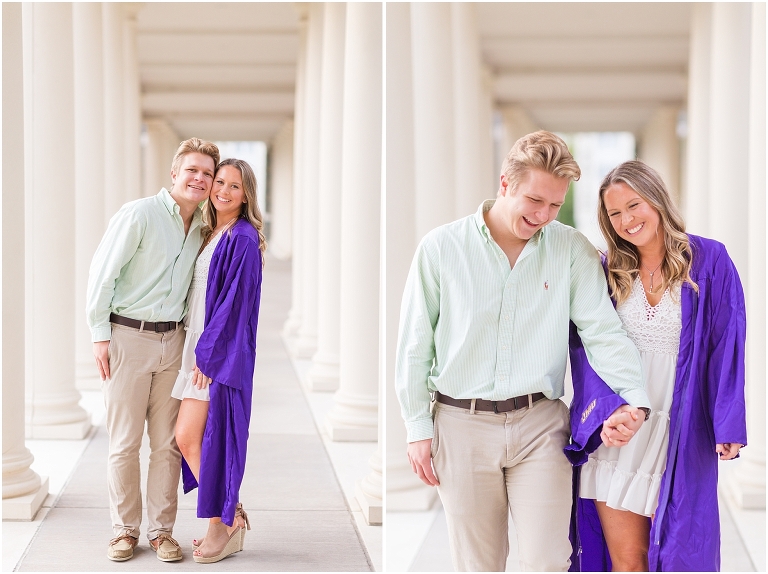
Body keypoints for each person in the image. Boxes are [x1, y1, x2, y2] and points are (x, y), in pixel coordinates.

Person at [395, 131, 652, 572]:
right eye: (535, 200)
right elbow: (415, 344)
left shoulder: (571, 250)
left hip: (540, 426)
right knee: (478, 564)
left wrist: (635, 399)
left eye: (554, 205)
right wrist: (418, 428)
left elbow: (602, 332)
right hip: (460, 424)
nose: (543, 215)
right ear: (505, 184)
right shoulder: (441, 248)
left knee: (547, 561)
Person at [568, 160, 747, 572]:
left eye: (634, 205)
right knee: (629, 562)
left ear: (657, 199)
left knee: (679, 556)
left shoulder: (708, 259)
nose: (627, 220)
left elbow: (728, 342)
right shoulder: (608, 271)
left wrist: (728, 423)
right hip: (621, 429)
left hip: (681, 427)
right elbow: (586, 348)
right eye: (615, 213)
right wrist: (607, 410)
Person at [87, 138, 220, 562]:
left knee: (167, 445)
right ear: (175, 173)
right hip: (128, 337)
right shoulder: (140, 214)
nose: (199, 179)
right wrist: (100, 334)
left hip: (174, 343)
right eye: (192, 170)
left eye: (207, 173)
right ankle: (124, 531)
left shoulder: (202, 229)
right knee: (125, 442)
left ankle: (162, 532)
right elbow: (103, 273)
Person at [172, 158, 266, 564]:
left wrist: (208, 357)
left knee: (194, 438)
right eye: (220, 182)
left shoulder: (242, 238)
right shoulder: (212, 231)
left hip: (214, 354)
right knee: (196, 440)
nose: (223, 191)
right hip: (196, 345)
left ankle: (223, 523)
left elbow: (234, 307)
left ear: (246, 195)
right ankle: (230, 513)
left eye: (234, 186)